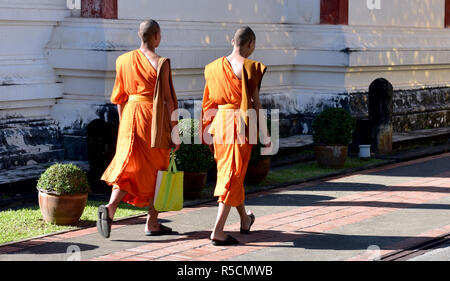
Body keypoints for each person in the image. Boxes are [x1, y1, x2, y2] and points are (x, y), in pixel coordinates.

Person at [97, 20, 180, 238]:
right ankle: (152, 222)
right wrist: (175, 130)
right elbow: (169, 100)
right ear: (156, 36)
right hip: (153, 118)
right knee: (158, 170)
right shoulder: (161, 62)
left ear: (139, 35)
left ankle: (111, 207)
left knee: (129, 168)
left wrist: (125, 125)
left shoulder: (122, 60)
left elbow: (119, 98)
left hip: (130, 117)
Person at [201, 26, 270, 246]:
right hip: (240, 125)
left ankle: (244, 219)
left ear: (233, 41)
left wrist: (207, 131)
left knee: (233, 173)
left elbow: (208, 103)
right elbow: (256, 104)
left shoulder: (212, 68)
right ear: (251, 44)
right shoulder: (250, 67)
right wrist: (265, 134)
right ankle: (218, 231)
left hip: (219, 124)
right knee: (231, 176)